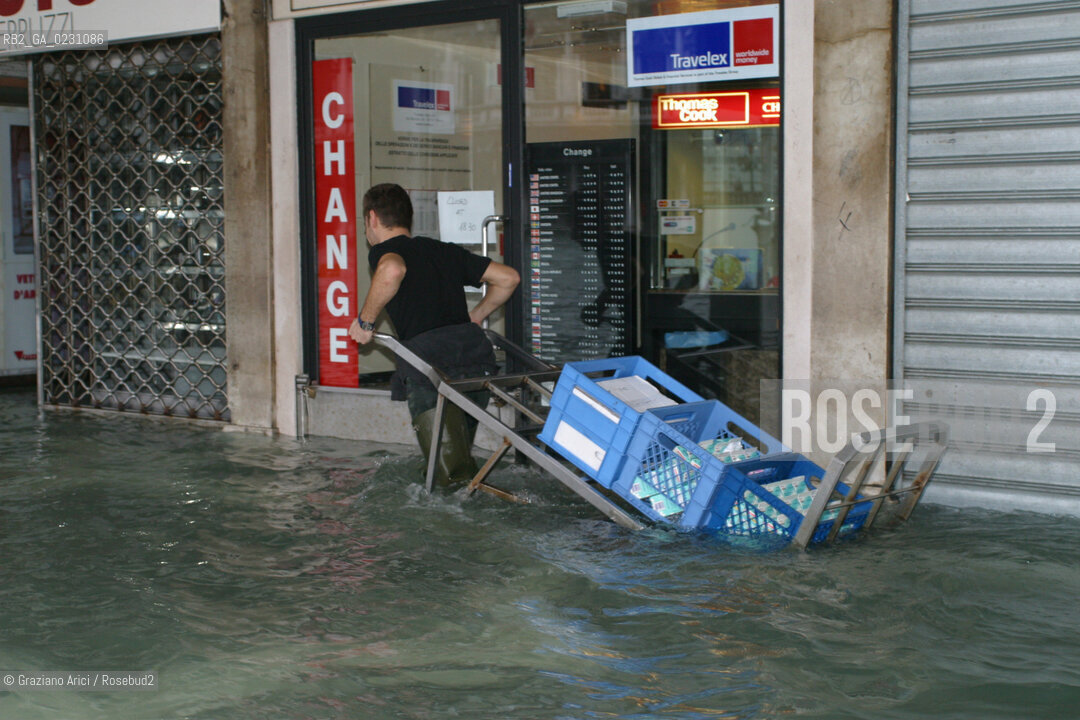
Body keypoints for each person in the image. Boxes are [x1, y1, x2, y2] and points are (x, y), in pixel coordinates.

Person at [348, 183, 520, 485]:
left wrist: (365, 322)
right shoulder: (443, 250)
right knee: (456, 462)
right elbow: (508, 278)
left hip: (432, 368)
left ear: (371, 218)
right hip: (475, 363)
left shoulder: (383, 251)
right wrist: (476, 316)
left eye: (365, 224)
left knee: (448, 475)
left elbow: (392, 271)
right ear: (408, 218)